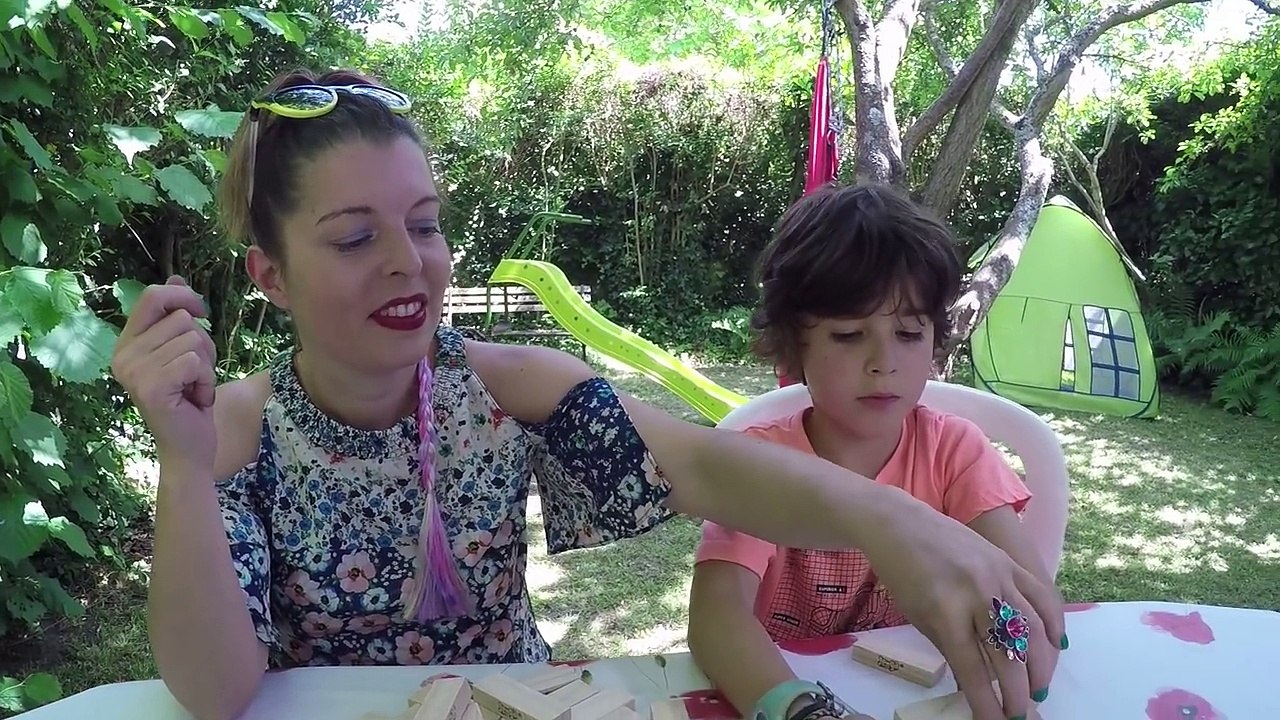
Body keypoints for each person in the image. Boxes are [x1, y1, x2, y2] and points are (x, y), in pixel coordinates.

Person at [109, 69, 1064, 720]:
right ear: (270, 274)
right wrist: (182, 470)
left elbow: (706, 468)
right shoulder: (234, 431)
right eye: (356, 237)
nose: (409, 262)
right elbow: (216, 691)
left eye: (425, 224)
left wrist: (900, 523)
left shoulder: (511, 387)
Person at [687, 183, 1063, 720]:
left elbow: (1022, 589)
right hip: (784, 686)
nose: (883, 362)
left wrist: (1019, 656)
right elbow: (715, 618)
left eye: (908, 333)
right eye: (848, 335)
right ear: (795, 345)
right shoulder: (761, 463)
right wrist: (801, 710)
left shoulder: (956, 451)